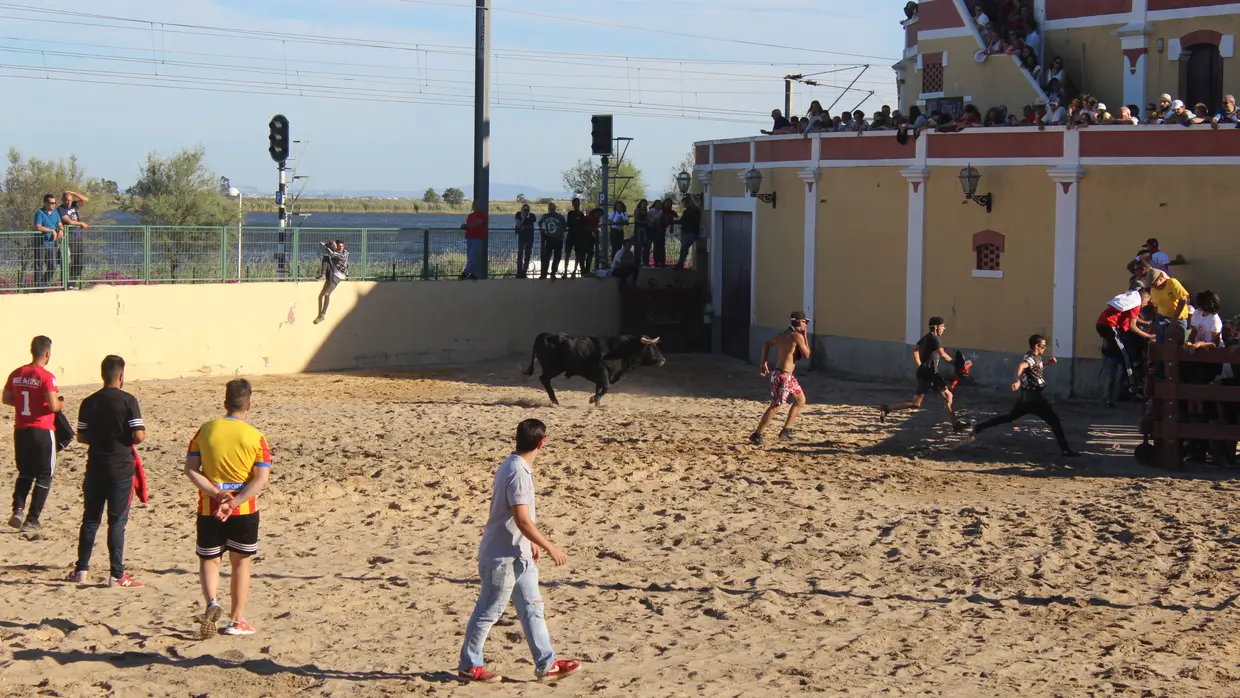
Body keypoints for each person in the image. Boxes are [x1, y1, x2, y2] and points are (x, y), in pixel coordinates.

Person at [458, 419, 580, 683]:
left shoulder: (512, 465)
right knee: (488, 611)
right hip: (502, 558)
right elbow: (522, 520)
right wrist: (550, 546)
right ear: (542, 443)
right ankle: (469, 665)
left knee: (532, 609)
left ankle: (546, 665)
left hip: (519, 554)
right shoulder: (518, 473)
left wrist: (532, 543)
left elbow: (519, 520)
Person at [183, 378, 272, 639]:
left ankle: (212, 603)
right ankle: (236, 620)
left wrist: (217, 493)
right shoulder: (256, 436)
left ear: (225, 403)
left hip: (210, 507)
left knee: (210, 559)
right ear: (249, 405)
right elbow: (261, 479)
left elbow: (191, 469)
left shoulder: (205, 430)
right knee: (240, 563)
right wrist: (235, 500)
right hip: (242, 510)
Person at [68, 355, 147, 587]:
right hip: (120, 468)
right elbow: (139, 435)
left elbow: (81, 436)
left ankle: (81, 569)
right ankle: (117, 574)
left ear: (103, 374)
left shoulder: (89, 402)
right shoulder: (128, 401)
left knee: (90, 520)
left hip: (95, 466)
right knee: (116, 522)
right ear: (121, 376)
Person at [971, 335, 1078, 457]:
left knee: (1009, 417)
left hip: (1025, 398)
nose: (1044, 349)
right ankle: (1065, 450)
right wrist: (1017, 380)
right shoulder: (1031, 358)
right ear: (1037, 346)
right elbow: (1021, 366)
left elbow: (1036, 369)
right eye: (1043, 346)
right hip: (1033, 398)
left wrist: (1047, 363)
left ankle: (979, 427)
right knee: (1054, 420)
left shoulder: (1034, 357)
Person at [4, 336, 63, 532]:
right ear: (47, 353)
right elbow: (53, 405)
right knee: (45, 474)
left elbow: (6, 398)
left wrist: (23, 405)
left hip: (21, 429)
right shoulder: (46, 377)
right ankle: (32, 518)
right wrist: (61, 404)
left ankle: (17, 510)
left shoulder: (17, 373)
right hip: (42, 429)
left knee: (25, 472)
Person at [879, 317, 969, 432]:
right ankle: (955, 425)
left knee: (919, 403)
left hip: (926, 372)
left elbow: (915, 349)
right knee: (946, 397)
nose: (944, 329)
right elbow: (942, 353)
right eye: (942, 326)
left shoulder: (926, 337)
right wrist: (954, 363)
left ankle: (886, 408)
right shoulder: (935, 338)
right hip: (930, 373)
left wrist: (920, 364)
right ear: (936, 326)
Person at [749, 311, 812, 446]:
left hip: (786, 375)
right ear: (800, 322)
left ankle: (786, 430)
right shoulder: (797, 336)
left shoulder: (783, 335)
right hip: (783, 376)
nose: (806, 325)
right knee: (776, 405)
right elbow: (807, 355)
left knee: (800, 400)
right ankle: (757, 434)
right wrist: (805, 337)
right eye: (805, 322)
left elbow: (766, 344)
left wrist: (763, 362)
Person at [1096, 283, 1154, 407]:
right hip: (1110, 328)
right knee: (1126, 358)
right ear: (1144, 298)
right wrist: (1148, 336)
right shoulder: (1136, 303)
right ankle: (1133, 389)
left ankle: (1109, 398)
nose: (1146, 304)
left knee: (1114, 365)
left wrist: (1146, 323)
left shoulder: (1130, 299)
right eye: (1147, 301)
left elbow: (1133, 319)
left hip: (1104, 326)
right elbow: (1133, 326)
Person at [58, 191, 90, 288]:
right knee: (69, 261)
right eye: (67, 200)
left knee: (79, 262)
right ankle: (67, 283)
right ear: (63, 200)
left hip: (78, 237)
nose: (68, 202)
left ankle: (72, 282)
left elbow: (85, 200)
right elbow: (69, 221)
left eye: (70, 200)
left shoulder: (74, 205)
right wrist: (81, 223)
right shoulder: (60, 209)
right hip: (70, 237)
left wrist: (73, 192)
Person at [1149, 269, 1190, 344]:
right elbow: (1155, 306)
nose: (1153, 287)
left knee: (1181, 342)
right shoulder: (1153, 290)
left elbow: (1183, 300)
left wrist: (1174, 320)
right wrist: (1157, 320)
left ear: (1161, 279)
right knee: (1161, 342)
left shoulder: (1172, 282)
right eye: (1151, 285)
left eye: (1154, 284)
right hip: (1163, 318)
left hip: (1179, 318)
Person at [34, 193, 64, 289]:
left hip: (51, 243)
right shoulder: (40, 212)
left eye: (54, 203)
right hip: (41, 243)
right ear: (45, 203)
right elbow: (38, 227)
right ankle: (38, 288)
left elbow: (59, 224)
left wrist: (61, 230)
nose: (53, 205)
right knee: (39, 265)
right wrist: (51, 230)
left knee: (53, 266)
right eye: (51, 203)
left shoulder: (55, 213)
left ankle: (44, 284)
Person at [314, 240, 347, 325]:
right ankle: (323, 275)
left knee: (326, 294)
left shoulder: (344, 254)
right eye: (338, 246)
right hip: (332, 272)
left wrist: (326, 246)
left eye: (342, 246)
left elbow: (332, 254)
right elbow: (330, 249)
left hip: (338, 276)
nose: (340, 248)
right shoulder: (335, 249)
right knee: (325, 257)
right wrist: (327, 244)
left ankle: (322, 314)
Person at [538, 202, 567, 280]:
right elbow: (540, 223)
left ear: (555, 208)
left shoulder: (560, 217)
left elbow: (565, 226)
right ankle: (544, 274)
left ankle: (553, 273)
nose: (551, 210)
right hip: (549, 239)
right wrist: (543, 230)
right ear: (548, 209)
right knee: (547, 257)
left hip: (558, 240)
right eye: (550, 208)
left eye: (553, 208)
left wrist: (560, 232)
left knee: (557, 257)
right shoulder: (545, 216)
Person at [460, 204, 488, 280]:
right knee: (470, 257)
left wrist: (466, 226)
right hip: (469, 238)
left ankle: (465, 273)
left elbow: (477, 223)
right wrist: (465, 227)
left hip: (477, 239)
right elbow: (470, 226)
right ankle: (474, 273)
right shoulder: (470, 216)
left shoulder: (482, 215)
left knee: (472, 256)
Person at [675, 196, 701, 270]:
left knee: (684, 248)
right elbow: (682, 221)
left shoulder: (694, 211)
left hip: (690, 232)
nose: (683, 205)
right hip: (686, 231)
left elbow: (692, 222)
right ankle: (680, 263)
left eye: (684, 203)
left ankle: (680, 264)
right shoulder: (687, 211)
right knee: (684, 248)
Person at [563, 198, 586, 277]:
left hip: (579, 236)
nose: (577, 205)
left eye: (578, 203)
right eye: (575, 203)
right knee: (567, 253)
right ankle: (565, 271)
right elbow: (569, 224)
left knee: (578, 254)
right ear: (573, 204)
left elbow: (583, 225)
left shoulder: (581, 214)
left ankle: (574, 271)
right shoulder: (570, 213)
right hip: (571, 235)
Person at [514, 204, 536, 278]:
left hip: (529, 237)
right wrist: (523, 218)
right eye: (524, 210)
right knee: (520, 253)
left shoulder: (532, 216)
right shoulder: (518, 214)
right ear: (522, 209)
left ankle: (524, 271)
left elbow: (530, 225)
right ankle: (519, 271)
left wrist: (523, 226)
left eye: (527, 210)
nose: (526, 211)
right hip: (522, 237)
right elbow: (518, 225)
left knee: (527, 254)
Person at [654, 197, 677, 267]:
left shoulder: (671, 212)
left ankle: (662, 261)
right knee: (657, 246)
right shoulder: (661, 211)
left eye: (669, 203)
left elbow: (672, 220)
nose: (668, 204)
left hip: (663, 230)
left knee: (662, 246)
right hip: (656, 230)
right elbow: (656, 220)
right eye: (667, 203)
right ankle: (657, 262)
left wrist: (671, 228)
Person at [632, 199, 650, 269]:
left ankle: (645, 263)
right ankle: (637, 263)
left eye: (646, 204)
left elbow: (647, 219)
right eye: (643, 204)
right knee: (638, 246)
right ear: (640, 204)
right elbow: (637, 220)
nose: (645, 205)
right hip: (639, 229)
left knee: (646, 246)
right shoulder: (637, 210)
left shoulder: (645, 211)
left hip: (645, 230)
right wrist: (645, 222)